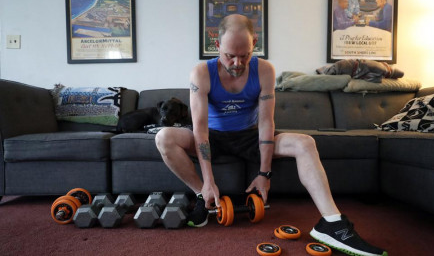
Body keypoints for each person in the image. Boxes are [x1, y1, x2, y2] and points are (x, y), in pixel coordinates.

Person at [156, 14, 387, 256]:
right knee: (163, 137)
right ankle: (202, 196)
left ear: (254, 43)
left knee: (305, 143)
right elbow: (200, 128)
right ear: (217, 47)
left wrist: (264, 174)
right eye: (229, 56)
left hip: (248, 136)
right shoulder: (201, 73)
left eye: (244, 55)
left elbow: (266, 122)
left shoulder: (264, 70)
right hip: (212, 135)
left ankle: (331, 223)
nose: (237, 62)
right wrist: (208, 181)